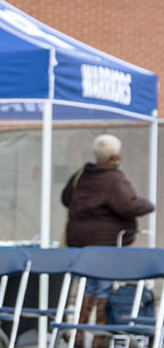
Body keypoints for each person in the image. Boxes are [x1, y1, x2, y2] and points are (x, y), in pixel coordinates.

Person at [63, 133, 156, 330]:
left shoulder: (81, 175)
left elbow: (66, 198)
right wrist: (147, 204)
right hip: (107, 243)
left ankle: (79, 334)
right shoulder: (115, 179)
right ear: (115, 156)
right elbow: (127, 205)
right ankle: (100, 336)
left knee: (87, 285)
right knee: (104, 286)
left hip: (80, 242)